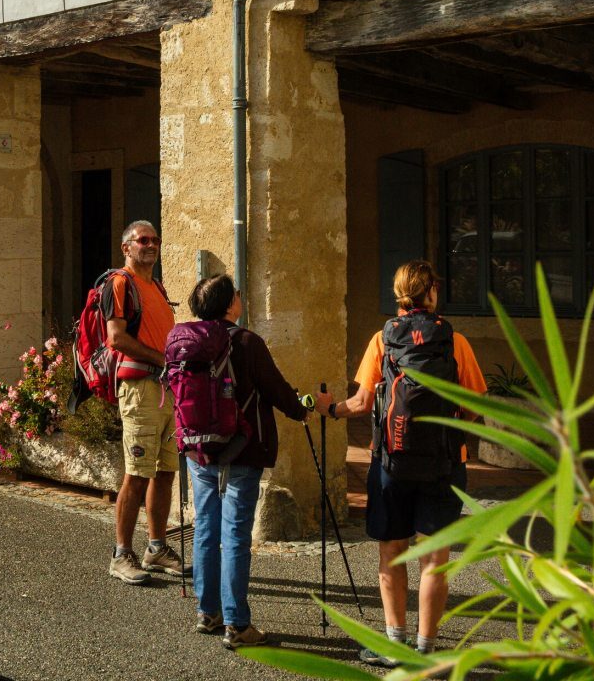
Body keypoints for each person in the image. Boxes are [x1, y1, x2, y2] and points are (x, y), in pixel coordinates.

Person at [330, 260, 486, 663]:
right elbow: (475, 404)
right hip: (445, 463)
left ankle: (394, 645)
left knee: (392, 551)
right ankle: (426, 649)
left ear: (399, 294)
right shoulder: (454, 341)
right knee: (434, 559)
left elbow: (361, 403)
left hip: (390, 462)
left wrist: (331, 410)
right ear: (430, 291)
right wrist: (449, 430)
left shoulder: (382, 340)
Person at [182, 273, 310, 648]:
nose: (240, 297)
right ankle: (237, 625)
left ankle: (208, 612)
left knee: (206, 529)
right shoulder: (247, 342)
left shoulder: (188, 342)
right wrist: (301, 410)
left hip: (199, 450)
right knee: (236, 536)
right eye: (236, 293)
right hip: (242, 448)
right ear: (229, 304)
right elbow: (276, 389)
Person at [105, 219, 183, 585]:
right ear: (127, 247)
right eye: (142, 240)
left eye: (155, 240)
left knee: (165, 472)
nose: (150, 245)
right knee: (137, 473)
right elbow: (116, 338)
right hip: (139, 389)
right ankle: (121, 554)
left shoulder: (156, 286)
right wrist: (163, 360)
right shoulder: (120, 283)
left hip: (165, 389)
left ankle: (156, 547)